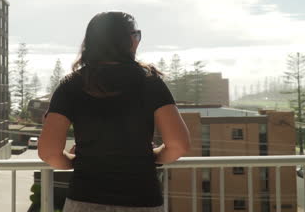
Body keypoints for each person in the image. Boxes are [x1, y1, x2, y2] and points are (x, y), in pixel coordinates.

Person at [38, 11, 191, 212]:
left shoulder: (71, 85)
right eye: (136, 35)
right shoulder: (150, 82)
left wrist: (75, 161)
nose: (138, 41)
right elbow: (178, 145)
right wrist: (149, 156)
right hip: (142, 199)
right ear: (128, 40)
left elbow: (49, 152)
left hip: (85, 199)